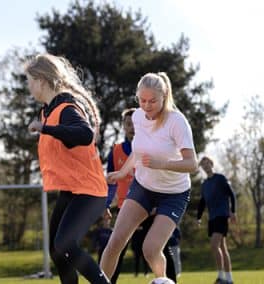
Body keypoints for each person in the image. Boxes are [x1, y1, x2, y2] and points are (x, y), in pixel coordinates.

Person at [101, 72, 198, 281]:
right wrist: (122, 172)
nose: (146, 106)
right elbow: (138, 150)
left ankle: (163, 280)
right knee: (115, 241)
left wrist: (162, 164)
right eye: (142, 100)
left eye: (152, 101)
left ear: (164, 96)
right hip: (143, 187)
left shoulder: (176, 122)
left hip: (173, 194)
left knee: (150, 249)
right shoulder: (137, 117)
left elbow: (192, 164)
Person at [25, 53, 110, 284]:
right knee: (56, 250)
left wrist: (46, 129)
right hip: (72, 191)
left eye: (30, 81)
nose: (29, 87)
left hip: (89, 192)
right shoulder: (47, 111)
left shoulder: (66, 108)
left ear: (41, 80)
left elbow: (84, 134)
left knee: (65, 244)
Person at [103, 108, 136, 283]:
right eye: (128, 124)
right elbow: (110, 182)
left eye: (136, 123)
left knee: (159, 248)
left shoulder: (150, 147)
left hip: (151, 206)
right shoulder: (115, 151)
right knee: (116, 248)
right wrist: (106, 204)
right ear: (123, 126)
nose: (132, 127)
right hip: (126, 208)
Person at [197, 156, 236, 284]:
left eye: (207, 163)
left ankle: (221, 277)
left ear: (211, 164)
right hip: (212, 218)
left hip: (222, 215)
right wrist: (198, 217)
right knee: (222, 248)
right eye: (203, 165)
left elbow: (231, 194)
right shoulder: (204, 184)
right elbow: (202, 202)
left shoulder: (220, 178)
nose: (205, 166)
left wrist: (233, 211)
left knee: (214, 245)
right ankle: (229, 279)